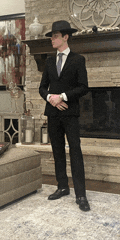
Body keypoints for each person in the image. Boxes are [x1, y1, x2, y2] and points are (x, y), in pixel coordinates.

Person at [39, 20, 90, 211]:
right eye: (52, 36)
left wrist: (62, 96)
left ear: (65, 37)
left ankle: (81, 195)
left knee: (75, 151)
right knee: (58, 151)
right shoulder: (50, 61)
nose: (52, 39)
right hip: (52, 113)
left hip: (70, 113)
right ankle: (62, 187)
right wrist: (50, 97)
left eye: (55, 36)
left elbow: (84, 87)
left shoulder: (78, 60)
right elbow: (42, 87)